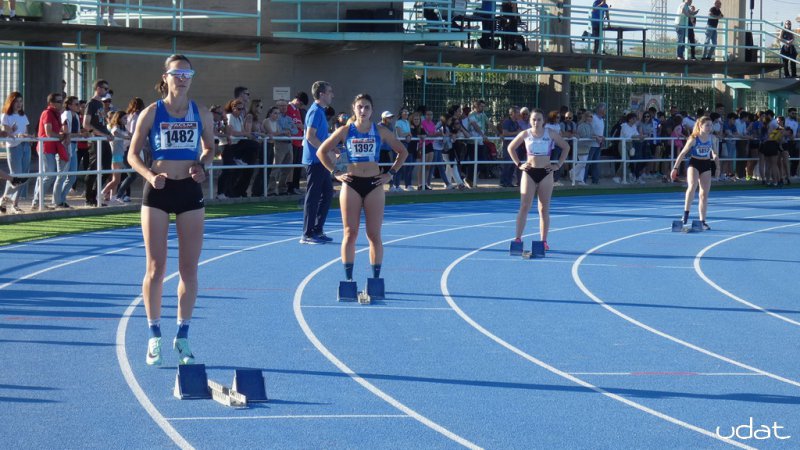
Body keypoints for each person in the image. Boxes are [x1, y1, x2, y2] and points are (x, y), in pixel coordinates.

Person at [126, 54, 215, 366]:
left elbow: (210, 148)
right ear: (165, 77)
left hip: (189, 190)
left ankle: (183, 336)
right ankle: (154, 335)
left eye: (187, 74)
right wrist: (150, 176)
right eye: (177, 73)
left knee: (189, 269)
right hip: (158, 191)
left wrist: (202, 165)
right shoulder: (152, 112)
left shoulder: (201, 112)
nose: (182, 78)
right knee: (155, 267)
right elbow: (132, 155)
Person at [316, 93, 407, 286]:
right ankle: (348, 279)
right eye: (359, 107)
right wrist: (335, 172)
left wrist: (390, 173)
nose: (363, 110)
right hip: (351, 183)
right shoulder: (345, 130)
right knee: (350, 233)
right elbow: (321, 151)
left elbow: (403, 152)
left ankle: (375, 279)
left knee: (374, 234)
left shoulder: (380, 131)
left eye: (367, 107)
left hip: (374, 184)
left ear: (372, 111)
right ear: (354, 109)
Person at [506, 109, 570, 250]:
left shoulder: (550, 133)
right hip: (529, 172)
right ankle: (517, 238)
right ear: (530, 121)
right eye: (534, 119)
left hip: (546, 173)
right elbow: (511, 148)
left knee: (543, 208)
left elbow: (566, 147)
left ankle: (543, 241)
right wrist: (519, 164)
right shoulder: (525, 134)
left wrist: (558, 165)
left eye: (539, 119)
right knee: (524, 206)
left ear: (543, 121)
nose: (536, 122)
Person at [300, 81, 335, 244]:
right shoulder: (315, 111)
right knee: (313, 196)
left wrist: (332, 147)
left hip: (321, 159)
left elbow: (320, 135)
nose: (332, 95)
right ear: (321, 94)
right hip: (315, 160)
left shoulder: (320, 111)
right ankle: (307, 234)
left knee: (327, 193)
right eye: (329, 92)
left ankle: (317, 229)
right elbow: (310, 136)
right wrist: (325, 150)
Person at [670, 116, 717, 230]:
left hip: (706, 164)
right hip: (694, 163)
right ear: (700, 126)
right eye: (707, 125)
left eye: (711, 125)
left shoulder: (712, 138)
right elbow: (682, 153)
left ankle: (703, 221)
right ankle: (685, 214)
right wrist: (675, 168)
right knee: (692, 186)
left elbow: (715, 153)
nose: (709, 127)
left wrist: (716, 161)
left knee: (704, 194)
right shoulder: (694, 138)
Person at [33, 92, 69, 210]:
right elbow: (48, 133)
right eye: (59, 101)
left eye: (62, 101)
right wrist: (61, 136)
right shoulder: (47, 113)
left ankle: (37, 202)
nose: (61, 103)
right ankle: (37, 202)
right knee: (49, 175)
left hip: (51, 148)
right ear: (51, 103)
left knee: (45, 175)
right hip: (46, 148)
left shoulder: (57, 114)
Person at [83, 79, 114, 207]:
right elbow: (86, 124)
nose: (107, 91)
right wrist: (101, 134)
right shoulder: (91, 103)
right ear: (98, 88)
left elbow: (101, 123)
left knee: (106, 168)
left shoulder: (100, 104)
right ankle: (89, 198)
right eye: (105, 89)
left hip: (104, 139)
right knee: (94, 168)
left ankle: (95, 196)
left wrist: (108, 133)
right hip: (97, 140)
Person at [1, 91, 30, 213]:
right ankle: (8, 202)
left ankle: (12, 203)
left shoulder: (23, 116)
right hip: (14, 146)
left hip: (25, 145)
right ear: (11, 102)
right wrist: (15, 132)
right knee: (16, 175)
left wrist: (28, 137)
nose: (19, 104)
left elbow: (25, 131)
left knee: (23, 176)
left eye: (20, 101)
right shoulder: (6, 116)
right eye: (16, 101)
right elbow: (6, 134)